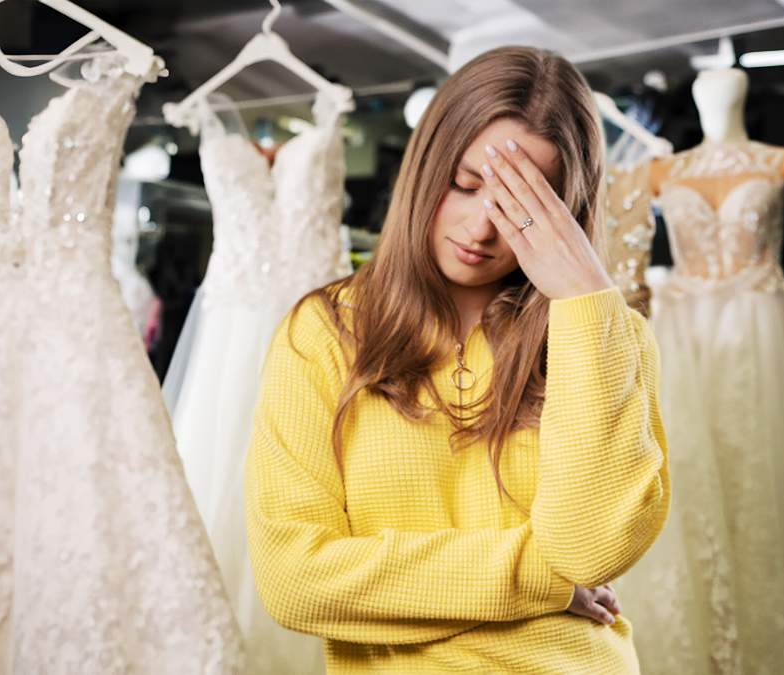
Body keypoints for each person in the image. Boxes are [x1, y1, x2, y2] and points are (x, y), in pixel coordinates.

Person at [244, 45, 669, 672]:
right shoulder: (326, 332)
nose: (480, 229)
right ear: (425, 166)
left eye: (521, 209)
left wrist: (582, 298)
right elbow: (294, 581)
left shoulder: (609, 335)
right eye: (465, 185)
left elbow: (589, 549)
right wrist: (544, 580)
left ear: (566, 213)